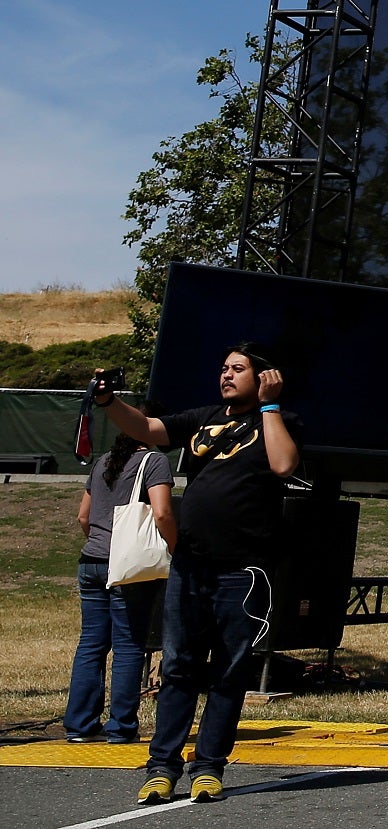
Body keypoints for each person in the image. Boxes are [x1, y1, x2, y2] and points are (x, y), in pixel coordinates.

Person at [92, 342, 301, 804]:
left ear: (264, 376)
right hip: (191, 566)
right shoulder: (203, 417)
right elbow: (145, 427)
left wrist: (270, 404)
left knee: (228, 673)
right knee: (181, 669)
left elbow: (283, 465)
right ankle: (162, 767)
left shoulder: (278, 422)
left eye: (238, 369)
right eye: (223, 367)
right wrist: (109, 401)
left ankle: (208, 769)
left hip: (243, 572)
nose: (226, 375)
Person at [65, 434, 176, 743]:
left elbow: (83, 516)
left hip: (91, 562)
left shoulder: (102, 461)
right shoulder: (154, 462)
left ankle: (79, 725)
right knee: (128, 645)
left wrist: (99, 541)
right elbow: (163, 512)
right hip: (128, 566)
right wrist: (175, 547)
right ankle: (121, 726)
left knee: (91, 643)